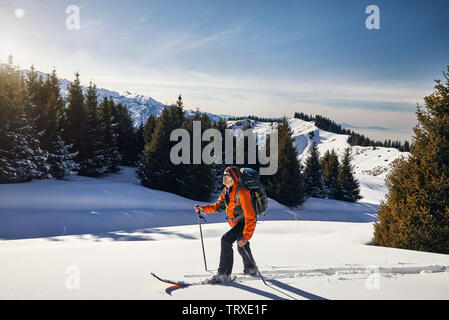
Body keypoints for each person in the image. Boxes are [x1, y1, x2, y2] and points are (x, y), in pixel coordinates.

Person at [194, 166, 258, 283]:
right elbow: (218, 206)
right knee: (241, 245)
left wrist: (246, 236)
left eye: (227, 176)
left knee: (226, 240)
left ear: (233, 178)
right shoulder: (226, 190)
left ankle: (223, 274)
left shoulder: (242, 192)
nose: (224, 178)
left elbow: (251, 216)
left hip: (244, 223)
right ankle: (251, 268)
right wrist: (203, 209)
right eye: (223, 175)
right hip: (236, 223)